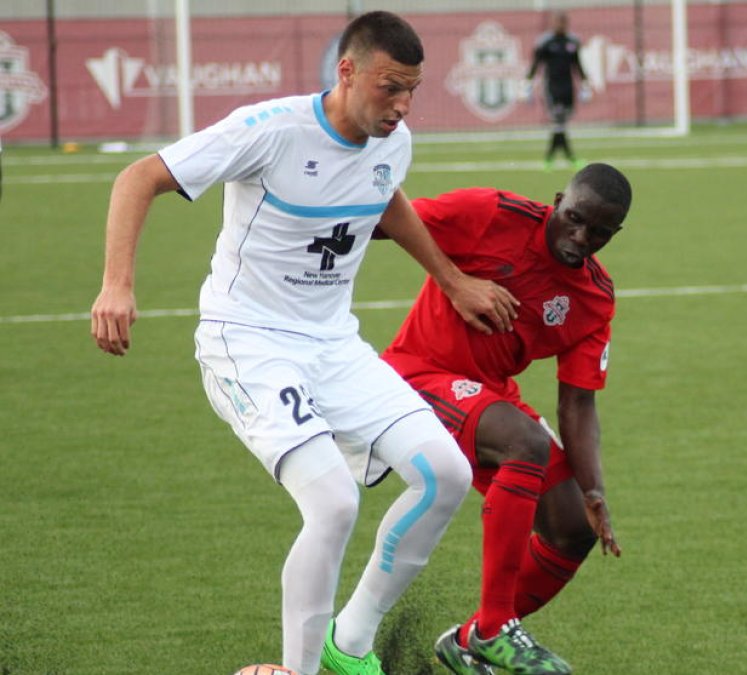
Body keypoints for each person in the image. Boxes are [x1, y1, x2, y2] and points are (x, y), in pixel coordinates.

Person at [89, 12, 519, 675]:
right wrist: (116, 285)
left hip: (334, 344)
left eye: (412, 91)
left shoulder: (391, 141)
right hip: (249, 342)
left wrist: (453, 279)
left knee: (446, 474)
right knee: (335, 501)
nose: (401, 106)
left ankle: (348, 644)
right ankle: (299, 670)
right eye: (389, 88)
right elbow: (138, 176)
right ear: (346, 71)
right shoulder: (270, 132)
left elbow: (385, 197)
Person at [374, 163, 631, 674]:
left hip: (487, 396)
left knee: (572, 526)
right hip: (416, 373)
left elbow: (578, 403)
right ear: (558, 200)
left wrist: (594, 492)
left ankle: (469, 639)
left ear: (615, 233)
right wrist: (453, 279)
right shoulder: (492, 213)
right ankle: (496, 628)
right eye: (574, 219)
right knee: (525, 444)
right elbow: (385, 217)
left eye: (599, 232)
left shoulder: (595, 299)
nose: (581, 238)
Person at [525, 11, 591, 172]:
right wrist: (528, 83)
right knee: (559, 123)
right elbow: (536, 64)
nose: (560, 25)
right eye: (557, 22)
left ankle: (551, 159)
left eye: (563, 22)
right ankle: (569, 158)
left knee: (561, 125)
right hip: (552, 87)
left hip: (568, 87)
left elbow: (577, 64)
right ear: (552, 23)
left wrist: (584, 84)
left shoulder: (572, 42)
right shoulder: (546, 43)